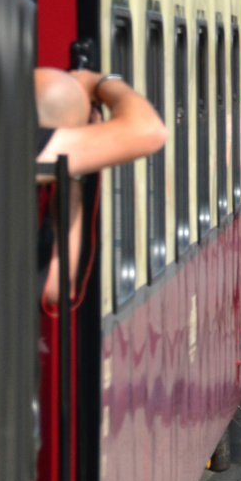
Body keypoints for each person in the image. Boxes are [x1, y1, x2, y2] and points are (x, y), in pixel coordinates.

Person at [35, 68, 167, 305]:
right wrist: (99, 82)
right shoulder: (17, 146)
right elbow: (150, 130)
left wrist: (72, 171)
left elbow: (56, 285)